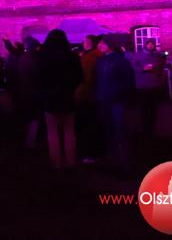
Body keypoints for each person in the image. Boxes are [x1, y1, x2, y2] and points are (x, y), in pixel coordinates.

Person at [37, 29, 83, 169]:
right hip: (67, 96)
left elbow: (39, 77)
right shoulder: (72, 56)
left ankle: (56, 162)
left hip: (50, 98)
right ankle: (70, 160)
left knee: (52, 132)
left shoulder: (43, 57)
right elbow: (79, 76)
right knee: (69, 130)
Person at [95, 35, 136, 174]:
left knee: (120, 132)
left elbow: (128, 81)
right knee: (108, 132)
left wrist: (119, 94)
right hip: (104, 101)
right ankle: (111, 162)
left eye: (102, 43)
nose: (99, 45)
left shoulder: (120, 61)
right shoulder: (101, 61)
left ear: (110, 45)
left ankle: (124, 164)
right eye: (99, 43)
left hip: (117, 102)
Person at [75, 34, 103, 163]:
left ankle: (89, 153)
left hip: (86, 95)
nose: (84, 43)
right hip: (94, 94)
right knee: (93, 125)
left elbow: (85, 78)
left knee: (87, 125)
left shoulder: (89, 57)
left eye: (86, 41)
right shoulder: (96, 56)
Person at [131, 38, 166, 138]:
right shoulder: (138, 54)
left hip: (154, 84)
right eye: (149, 44)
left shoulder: (157, 55)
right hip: (142, 84)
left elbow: (161, 66)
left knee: (153, 107)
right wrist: (143, 68)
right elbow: (133, 67)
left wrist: (157, 66)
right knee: (144, 107)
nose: (150, 45)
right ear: (145, 45)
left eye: (152, 44)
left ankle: (152, 127)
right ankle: (144, 127)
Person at [14, 36, 42, 150]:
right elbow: (38, 77)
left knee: (27, 117)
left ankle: (25, 140)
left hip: (24, 91)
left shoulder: (23, 58)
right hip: (34, 93)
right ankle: (31, 142)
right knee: (34, 117)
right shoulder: (36, 59)